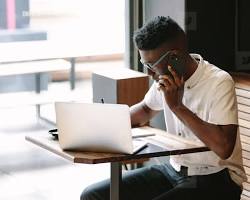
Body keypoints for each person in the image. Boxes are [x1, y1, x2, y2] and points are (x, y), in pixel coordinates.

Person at [81, 16, 246, 200]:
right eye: (145, 64)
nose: (149, 73)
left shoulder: (218, 82)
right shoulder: (168, 77)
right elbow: (145, 109)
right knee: (93, 195)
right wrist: (101, 125)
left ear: (175, 57)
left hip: (217, 177)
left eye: (151, 65)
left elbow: (223, 147)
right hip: (175, 169)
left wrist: (176, 106)